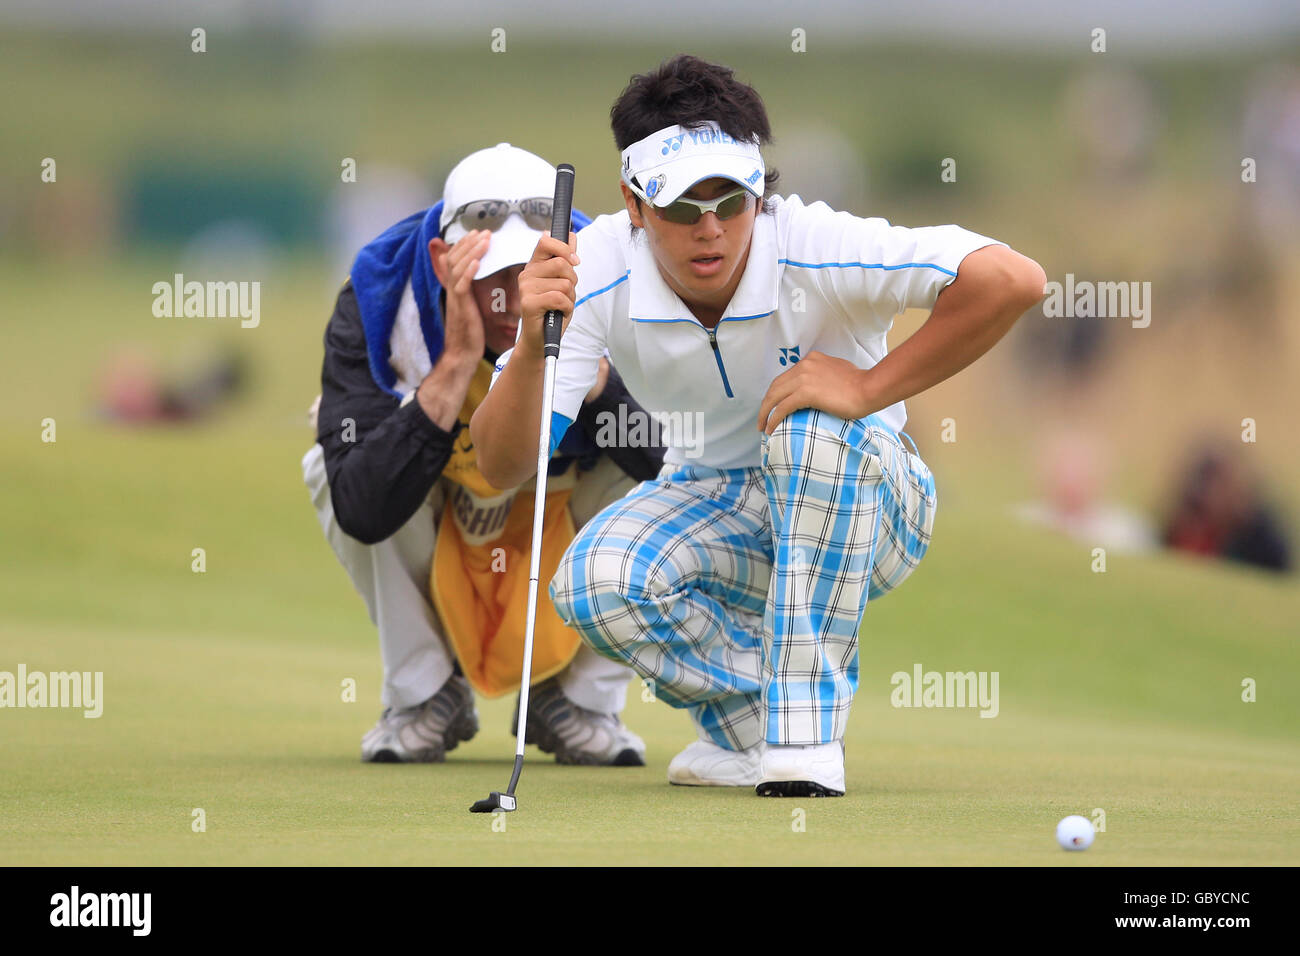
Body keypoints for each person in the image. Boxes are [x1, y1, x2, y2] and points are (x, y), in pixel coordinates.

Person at [472, 56, 1046, 798]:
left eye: (731, 200)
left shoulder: (811, 240)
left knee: (804, 428)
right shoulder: (593, 271)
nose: (710, 230)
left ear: (757, 192)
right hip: (718, 500)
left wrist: (869, 386)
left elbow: (1013, 279)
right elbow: (502, 465)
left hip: (871, 501)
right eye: (682, 207)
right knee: (595, 582)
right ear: (635, 204)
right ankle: (755, 732)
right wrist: (526, 344)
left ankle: (805, 746)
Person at [301, 143, 665, 766]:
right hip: (443, 496)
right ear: (443, 260)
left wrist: (598, 381)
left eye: (527, 276)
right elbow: (361, 504)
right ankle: (423, 696)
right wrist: (454, 366)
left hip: (567, 490)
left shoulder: (621, 271)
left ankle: (580, 702)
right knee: (330, 467)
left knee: (674, 490)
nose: (515, 300)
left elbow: (679, 464)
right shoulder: (379, 292)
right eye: (495, 278)